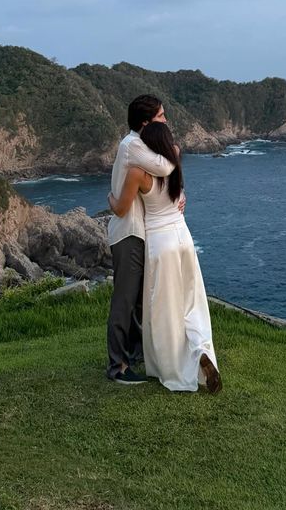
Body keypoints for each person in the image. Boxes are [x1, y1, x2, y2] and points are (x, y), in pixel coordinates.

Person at [109, 120, 221, 394]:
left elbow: (122, 208)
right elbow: (178, 192)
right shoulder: (176, 157)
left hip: (160, 241)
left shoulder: (139, 172)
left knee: (164, 310)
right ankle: (199, 351)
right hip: (183, 236)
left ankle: (172, 367)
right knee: (190, 304)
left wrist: (110, 197)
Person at [106, 94, 183, 384]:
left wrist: (180, 196)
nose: (166, 121)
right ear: (145, 122)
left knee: (140, 300)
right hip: (129, 233)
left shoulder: (140, 145)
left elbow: (163, 180)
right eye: (161, 116)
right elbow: (166, 165)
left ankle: (135, 355)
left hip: (141, 231)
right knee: (124, 302)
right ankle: (117, 367)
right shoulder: (132, 146)